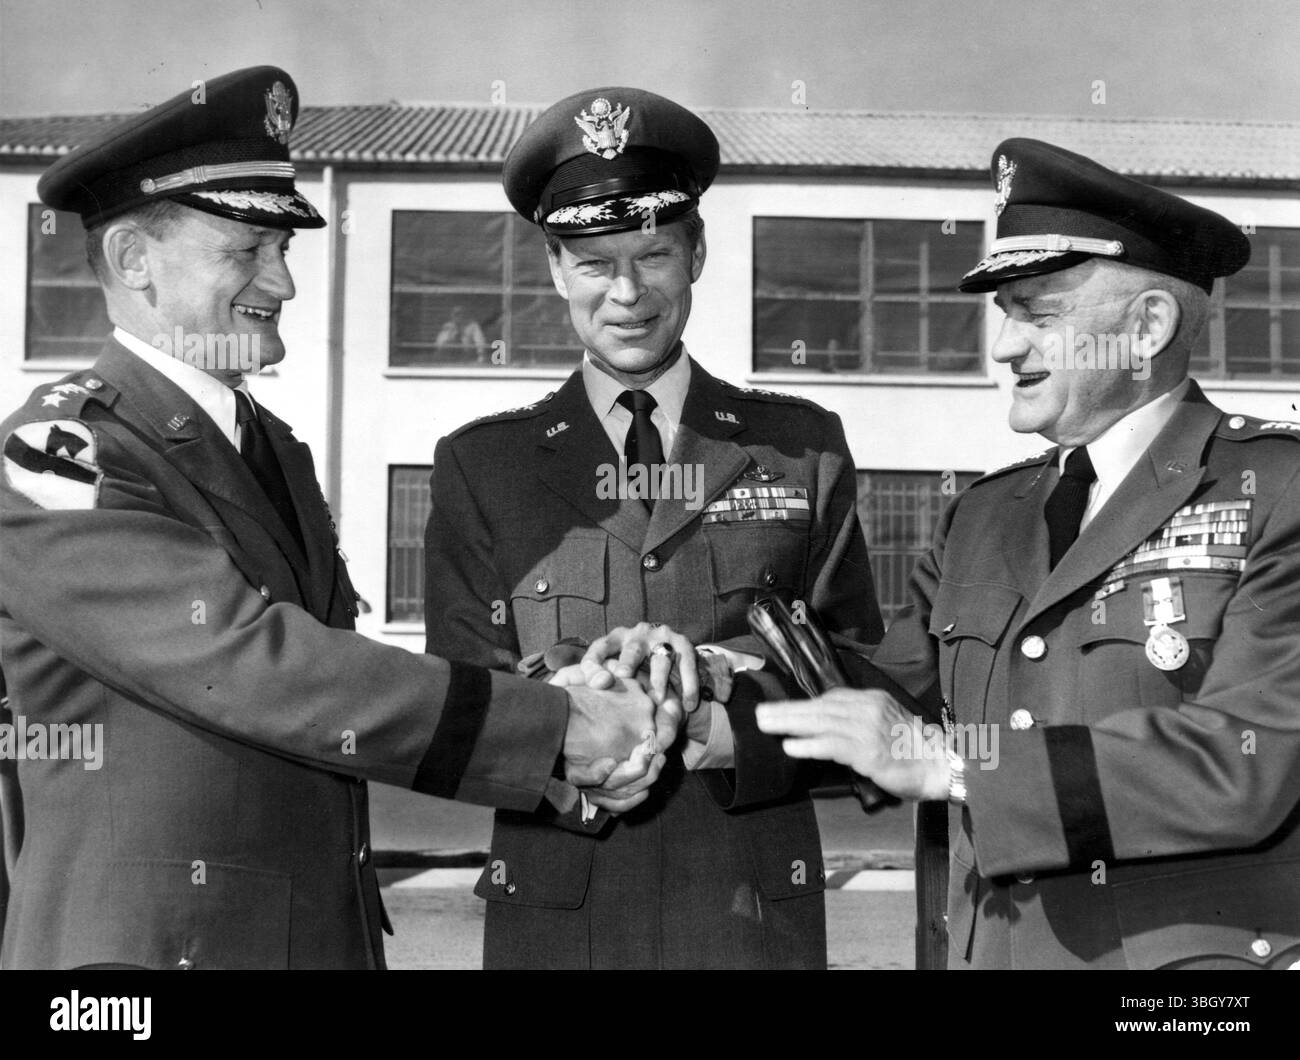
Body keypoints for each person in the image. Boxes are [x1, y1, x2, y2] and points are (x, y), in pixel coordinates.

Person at [0, 66, 675, 970]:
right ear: (133, 262)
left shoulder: (267, 445)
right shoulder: (57, 452)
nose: (281, 284)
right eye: (246, 250)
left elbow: (337, 694)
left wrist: (557, 729)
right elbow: (254, 665)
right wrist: (554, 726)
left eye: (283, 251)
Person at [757, 137, 1300, 970]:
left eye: (1040, 316)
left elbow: (1243, 760)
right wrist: (698, 696)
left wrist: (953, 763)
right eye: (1005, 314)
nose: (1004, 349)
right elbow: (876, 694)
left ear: (1146, 327)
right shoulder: (982, 514)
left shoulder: (1277, 491)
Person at [423, 87, 883, 969]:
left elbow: (862, 677)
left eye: (654, 254)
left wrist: (724, 723)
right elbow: (461, 696)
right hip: (560, 909)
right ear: (554, 269)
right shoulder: (483, 464)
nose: (626, 293)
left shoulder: (799, 447)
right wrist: (578, 706)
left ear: (698, 252)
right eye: (593, 262)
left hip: (753, 910)